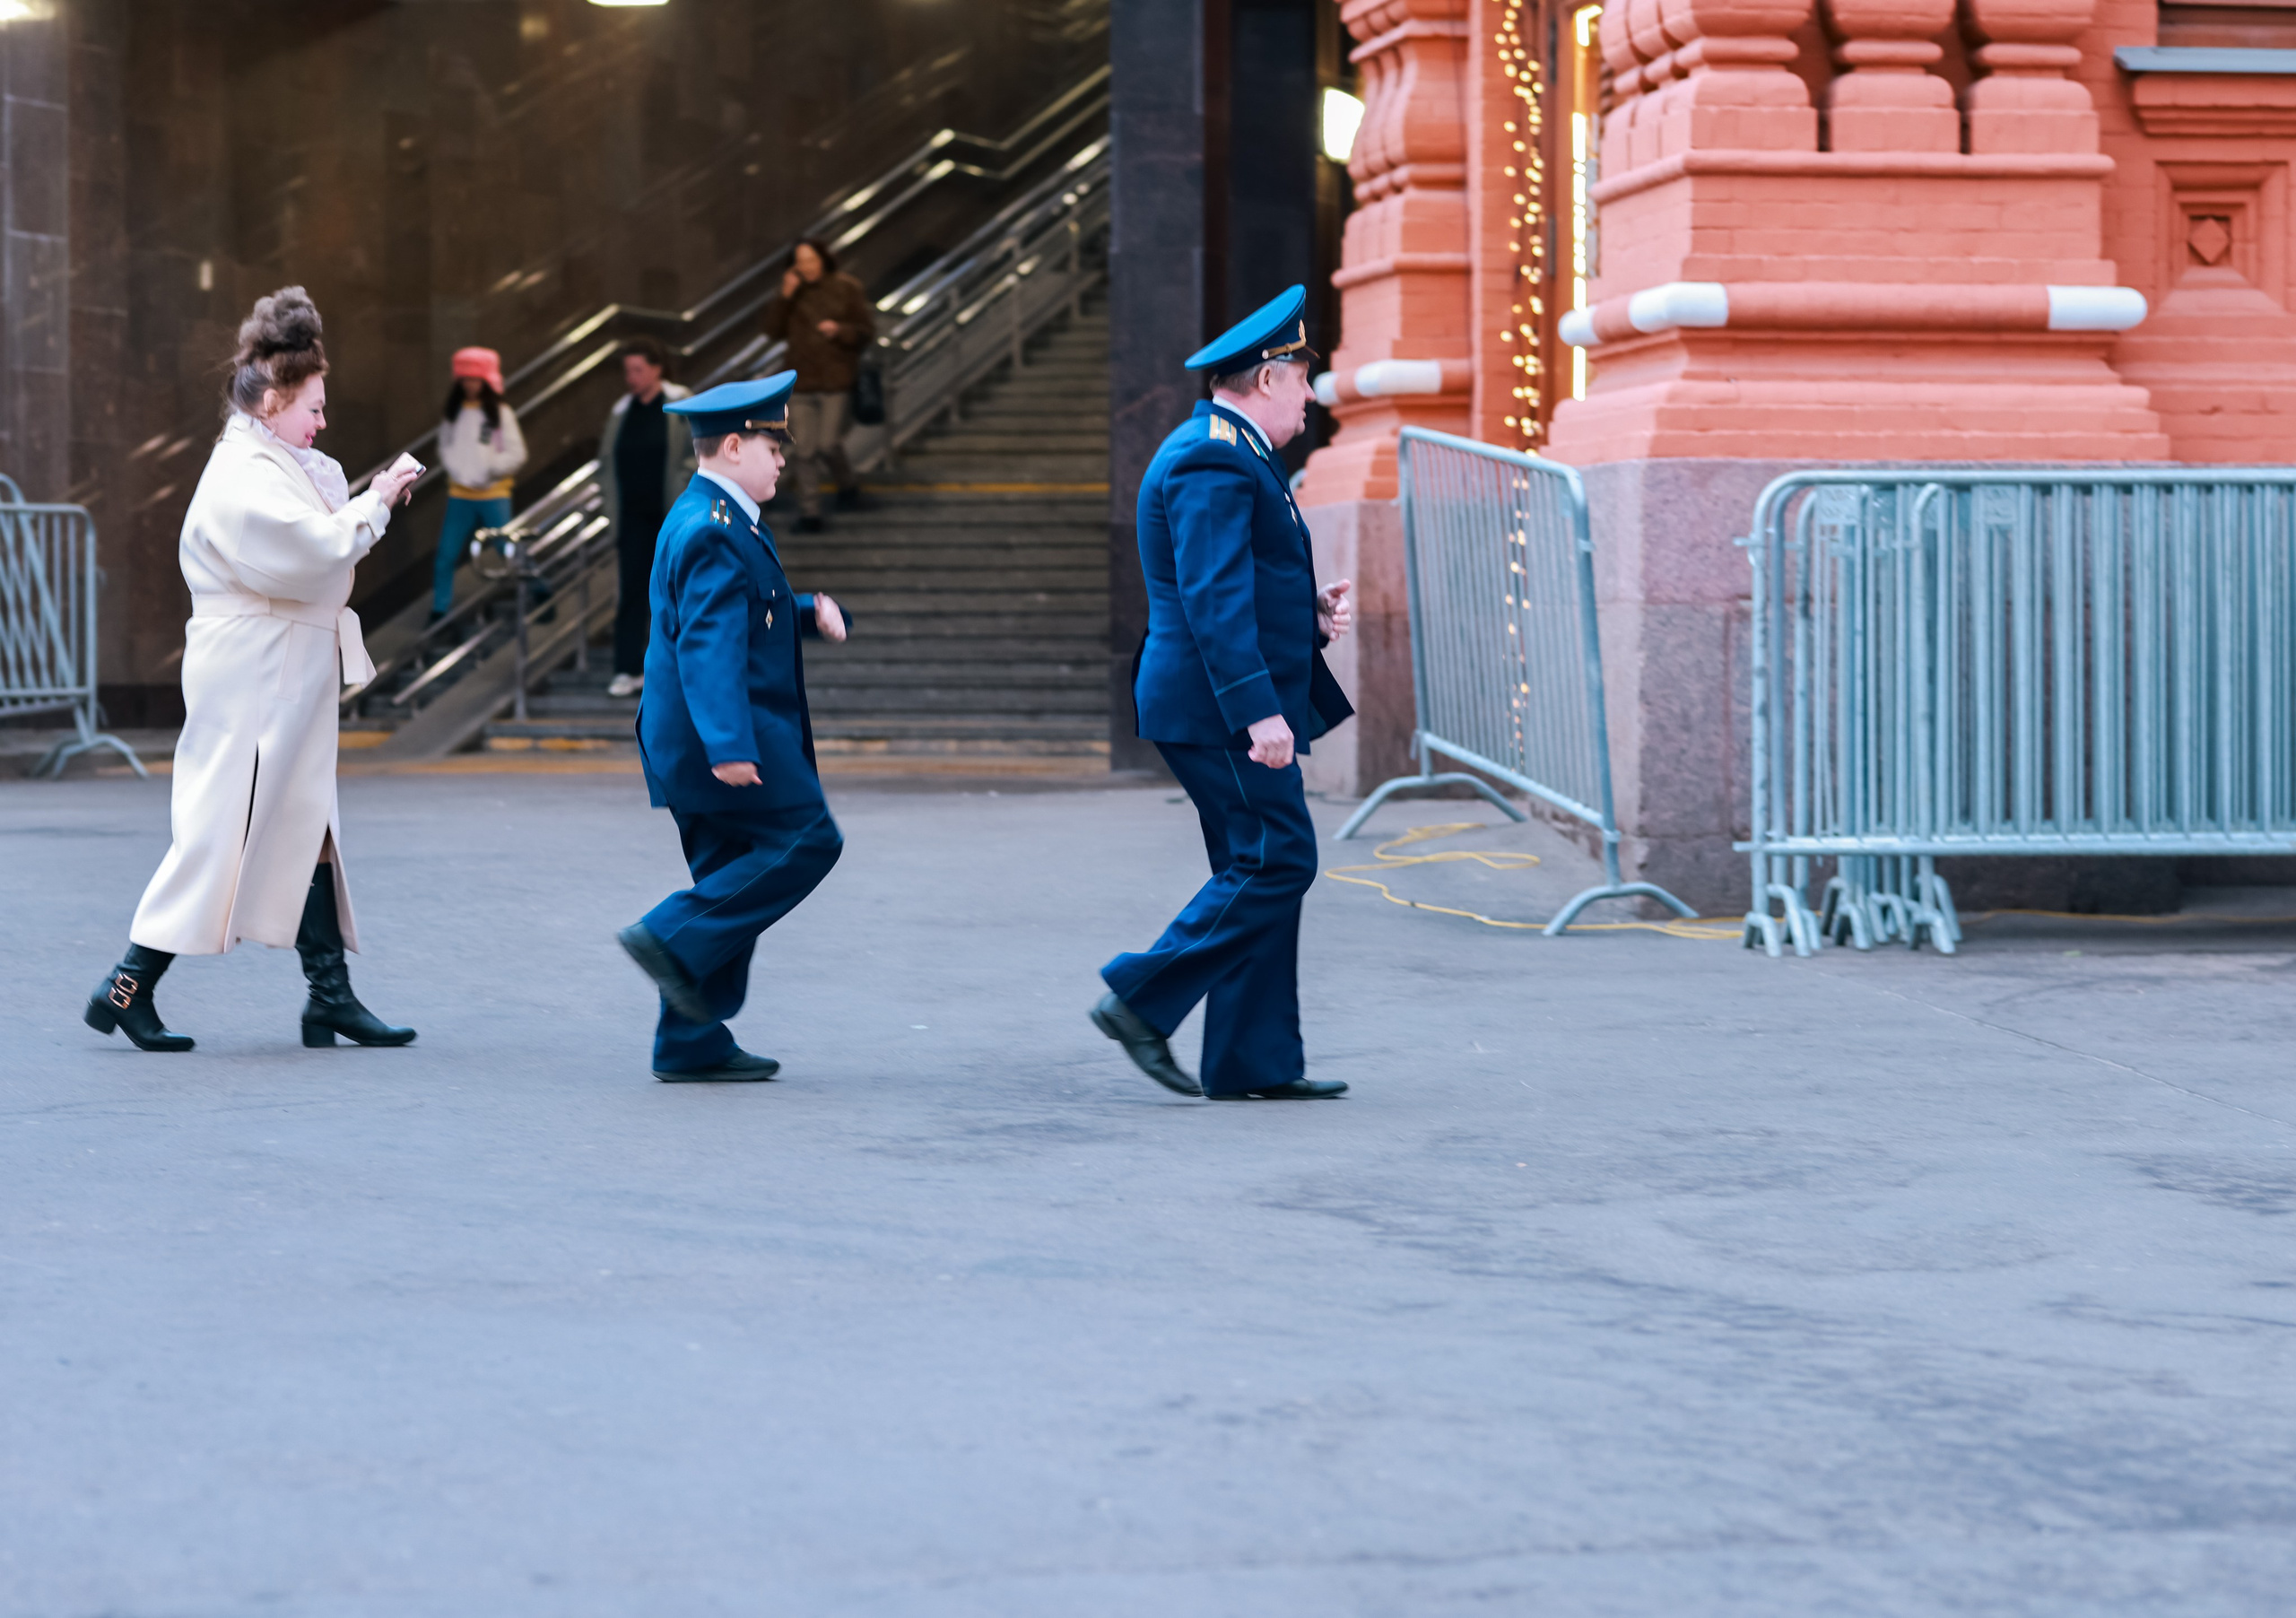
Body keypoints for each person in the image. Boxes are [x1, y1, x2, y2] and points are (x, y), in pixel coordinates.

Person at [84, 286, 423, 1053]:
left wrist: (364, 502)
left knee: (303, 818)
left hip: (276, 665)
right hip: (257, 670)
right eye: (314, 406)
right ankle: (127, 985)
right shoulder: (244, 472)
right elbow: (314, 549)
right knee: (224, 826)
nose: (323, 420)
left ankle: (328, 995)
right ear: (273, 401)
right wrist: (374, 503)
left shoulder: (264, 460)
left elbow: (315, 536)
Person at [1090, 286, 1357, 1101]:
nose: (1312, 396)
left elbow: (1238, 583)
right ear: (1268, 377)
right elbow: (1210, 599)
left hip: (1217, 699)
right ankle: (1140, 997)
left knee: (1256, 864)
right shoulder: (1213, 456)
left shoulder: (1230, 449)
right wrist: (1257, 712)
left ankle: (1253, 1061)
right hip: (1219, 707)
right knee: (1279, 858)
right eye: (1303, 378)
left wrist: (1306, 616)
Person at [613, 372, 851, 1083]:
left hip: (693, 736)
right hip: (718, 734)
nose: (783, 460)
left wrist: (805, 611)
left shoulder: (712, 516)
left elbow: (736, 611)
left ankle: (688, 1041)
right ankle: (668, 935)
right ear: (735, 447)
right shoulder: (714, 529)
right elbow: (707, 645)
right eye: (774, 447)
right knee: (809, 838)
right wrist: (729, 745)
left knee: (729, 874)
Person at [597, 335, 694, 699]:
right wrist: (610, 509)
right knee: (632, 592)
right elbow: (606, 462)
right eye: (628, 371)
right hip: (632, 517)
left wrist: (684, 484)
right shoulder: (622, 411)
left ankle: (681, 669)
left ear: (657, 369)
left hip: (671, 515)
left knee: (676, 592)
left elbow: (698, 452)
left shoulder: (679, 405)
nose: (632, 378)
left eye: (638, 370)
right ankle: (627, 668)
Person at [761, 238, 874, 532]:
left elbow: (866, 331)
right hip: (800, 382)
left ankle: (847, 485)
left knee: (828, 444)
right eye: (801, 262)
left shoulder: (846, 287)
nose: (807, 267)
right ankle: (810, 512)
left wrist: (840, 330)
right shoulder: (791, 292)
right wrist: (785, 296)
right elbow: (772, 331)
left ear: (823, 260)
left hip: (836, 380)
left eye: (811, 260)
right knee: (804, 450)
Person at [430, 346, 527, 623]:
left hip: (494, 494)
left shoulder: (500, 413)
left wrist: (490, 469)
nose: (470, 384)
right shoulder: (454, 413)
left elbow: (517, 453)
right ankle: (439, 609)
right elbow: (444, 447)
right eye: (465, 379)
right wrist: (458, 470)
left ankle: (538, 589)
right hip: (460, 495)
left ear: (486, 380)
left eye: (475, 379)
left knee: (506, 548)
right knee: (446, 555)